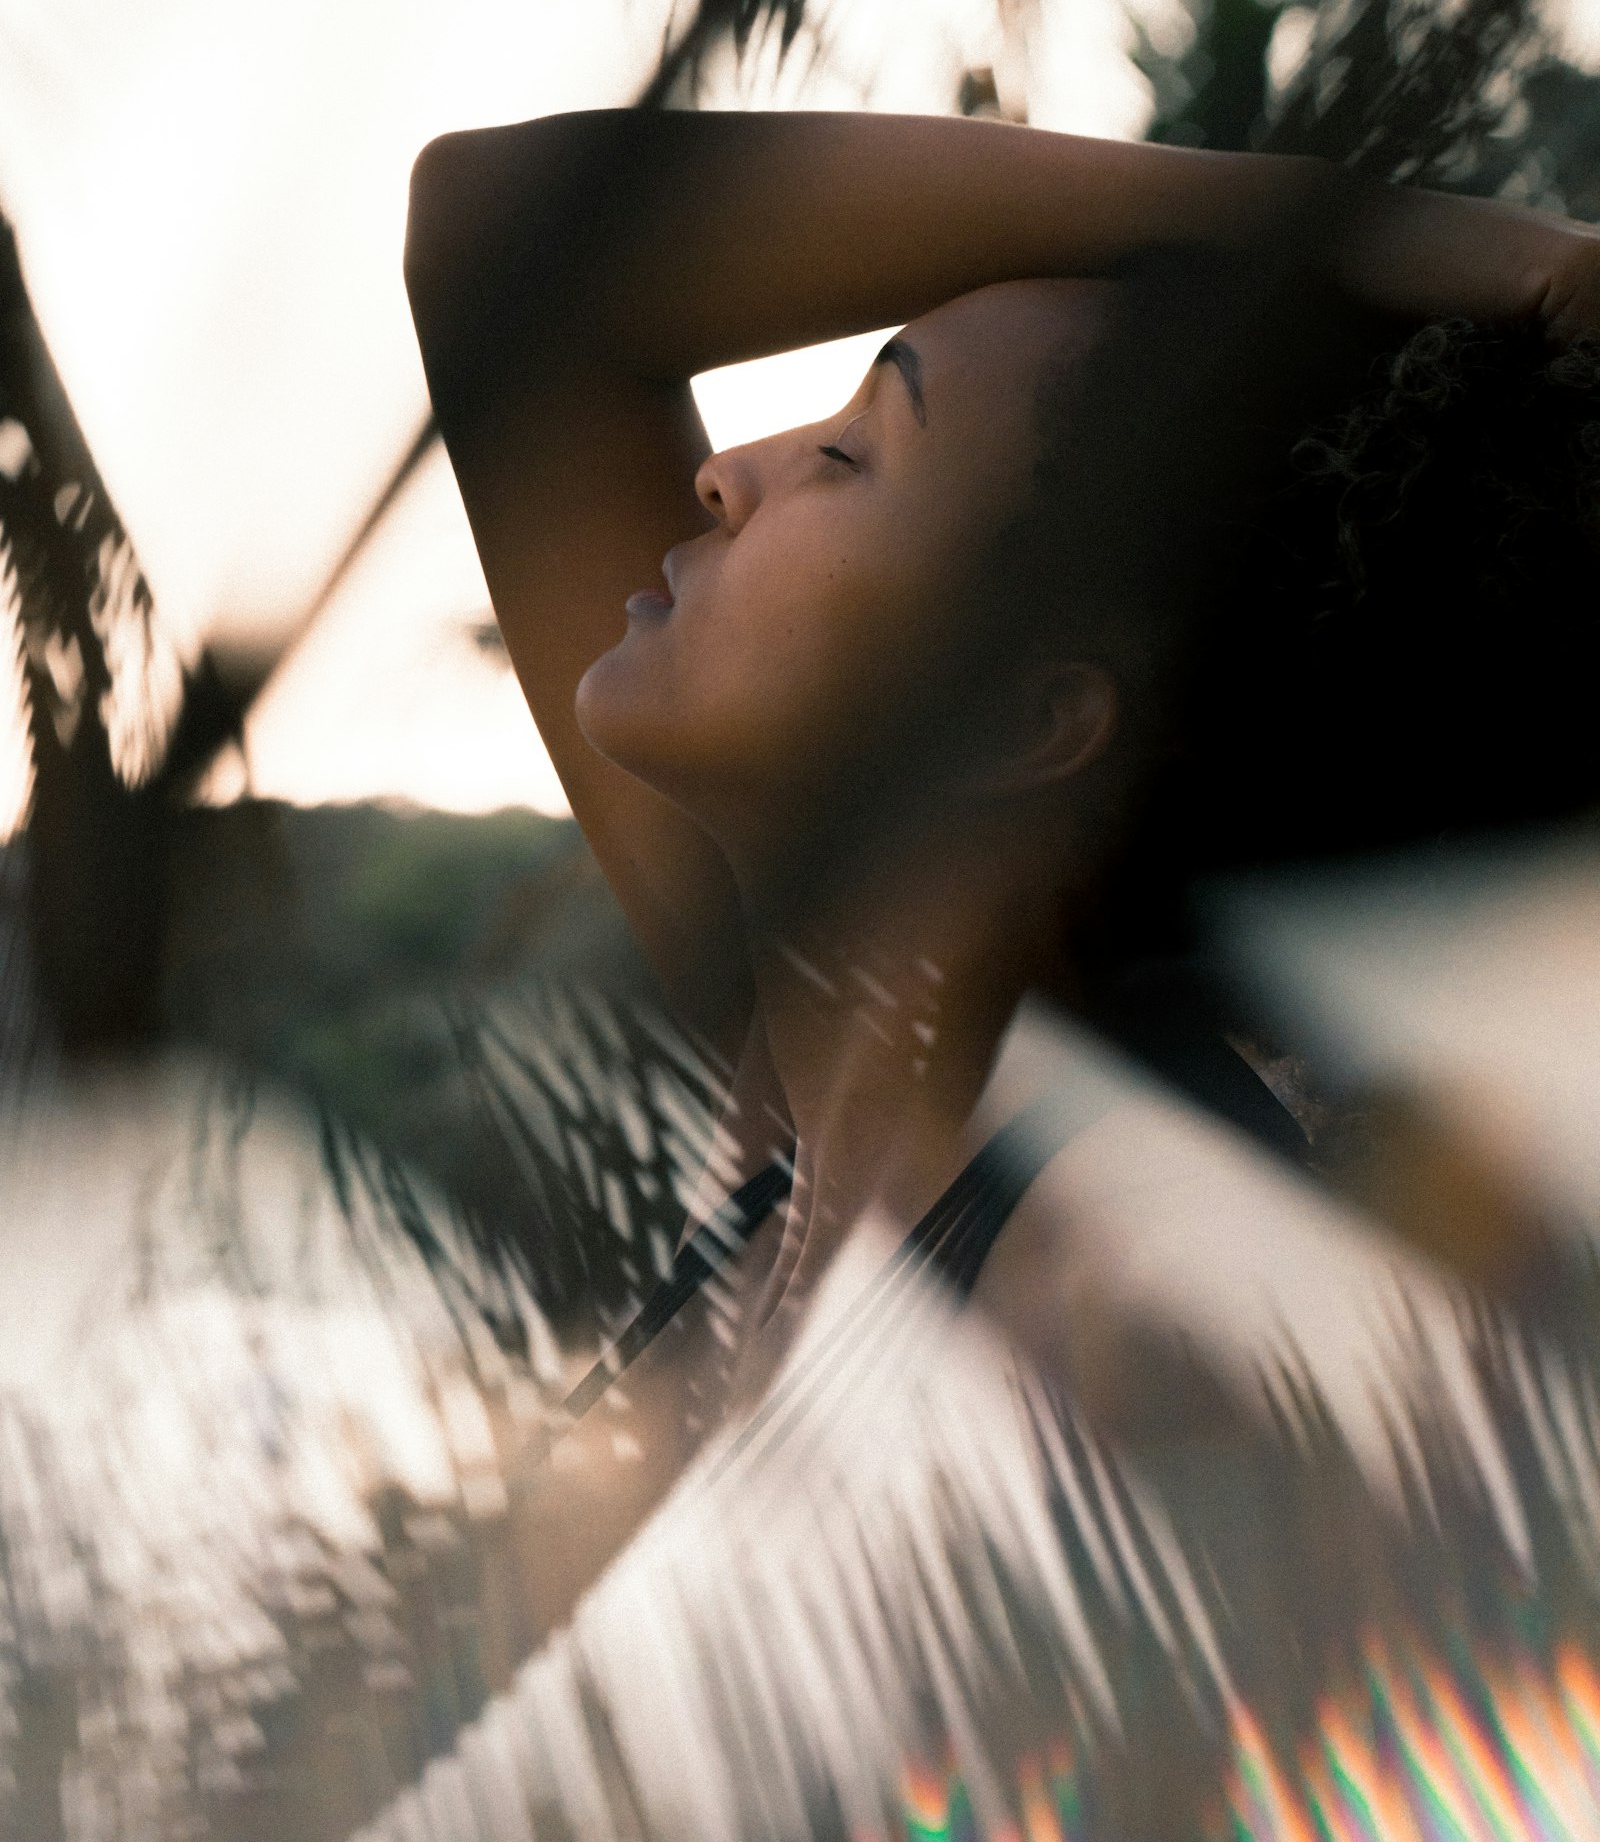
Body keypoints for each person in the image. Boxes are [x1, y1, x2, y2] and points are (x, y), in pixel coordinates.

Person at [402, 105, 1600, 1629]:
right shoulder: (827, 1100)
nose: (731, 474)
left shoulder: (1130, 1320)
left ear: (1031, 718)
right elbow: (503, 240)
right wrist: (1484, 257)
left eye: (848, 454)